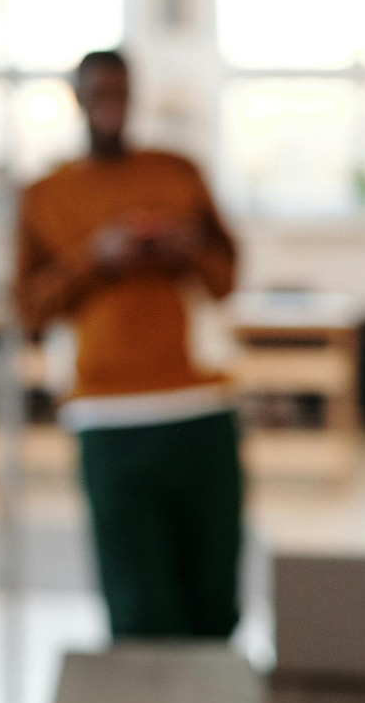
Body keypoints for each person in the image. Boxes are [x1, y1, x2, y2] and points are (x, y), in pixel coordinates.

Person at [14, 50, 242, 639]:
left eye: (120, 90)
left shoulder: (177, 173)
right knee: (139, 605)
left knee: (215, 597)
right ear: (80, 99)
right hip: (107, 411)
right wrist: (95, 258)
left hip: (199, 403)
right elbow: (29, 311)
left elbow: (225, 279)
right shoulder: (45, 194)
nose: (110, 103)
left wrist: (183, 246)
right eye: (98, 92)